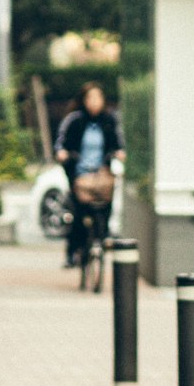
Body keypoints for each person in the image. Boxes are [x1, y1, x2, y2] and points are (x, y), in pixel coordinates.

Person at [54, 82, 125, 268]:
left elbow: (118, 143)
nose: (94, 102)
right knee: (78, 213)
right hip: (79, 174)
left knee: (106, 203)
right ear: (83, 100)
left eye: (98, 98)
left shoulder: (109, 120)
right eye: (90, 98)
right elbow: (61, 144)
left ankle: (103, 236)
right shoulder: (74, 120)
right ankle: (73, 251)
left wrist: (118, 153)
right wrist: (63, 154)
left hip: (102, 174)